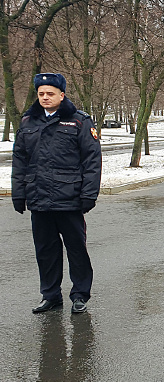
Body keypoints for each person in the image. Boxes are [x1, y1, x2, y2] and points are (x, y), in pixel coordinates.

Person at [11, 73, 102, 314]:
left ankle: (80, 294)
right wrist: (18, 193)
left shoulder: (79, 121)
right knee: (45, 250)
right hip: (39, 198)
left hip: (69, 198)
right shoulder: (28, 122)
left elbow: (92, 160)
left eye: (50, 93)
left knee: (76, 248)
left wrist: (89, 194)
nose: (45, 97)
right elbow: (20, 160)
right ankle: (50, 295)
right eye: (41, 93)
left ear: (62, 95)